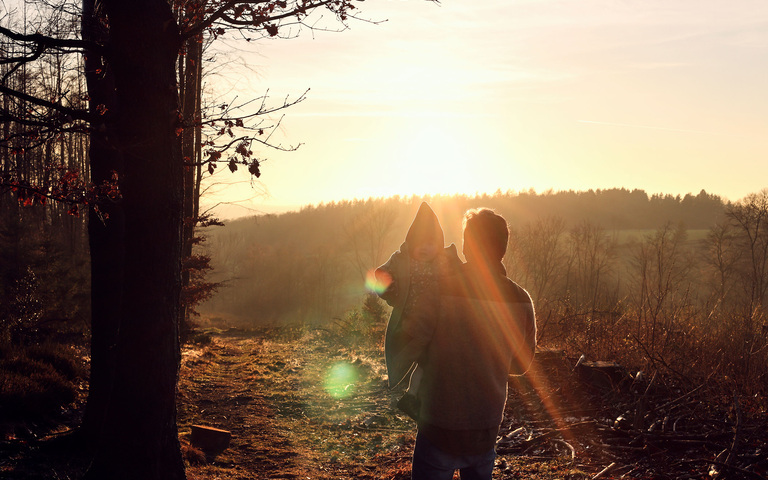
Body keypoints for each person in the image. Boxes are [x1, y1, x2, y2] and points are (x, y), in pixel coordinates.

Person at [396, 208, 537, 480]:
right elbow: (521, 366)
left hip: (438, 426)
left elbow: (412, 342)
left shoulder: (439, 289)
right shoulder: (521, 300)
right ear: (503, 249)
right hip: (485, 429)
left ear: (466, 246)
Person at [375, 202, 462, 420]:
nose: (424, 248)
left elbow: (464, 276)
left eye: (430, 243)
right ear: (410, 242)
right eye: (419, 243)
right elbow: (381, 275)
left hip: (436, 321)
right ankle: (411, 395)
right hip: (409, 320)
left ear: (439, 244)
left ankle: (413, 396)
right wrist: (392, 292)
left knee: (428, 359)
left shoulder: (444, 259)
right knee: (416, 355)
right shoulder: (402, 260)